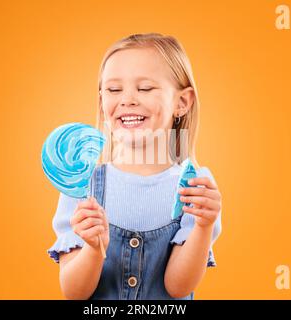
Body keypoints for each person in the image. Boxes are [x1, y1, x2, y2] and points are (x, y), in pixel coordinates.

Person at [47, 33, 222, 300]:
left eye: (145, 88)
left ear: (182, 103)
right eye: (114, 90)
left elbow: (178, 288)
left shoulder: (195, 188)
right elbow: (74, 292)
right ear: (103, 102)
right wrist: (94, 249)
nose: (127, 99)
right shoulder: (82, 184)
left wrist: (202, 226)